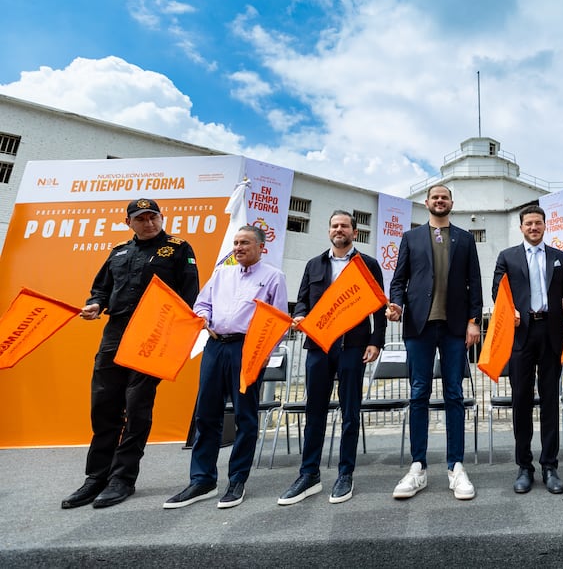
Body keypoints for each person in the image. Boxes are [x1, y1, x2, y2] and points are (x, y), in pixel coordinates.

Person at [62, 198, 200, 509]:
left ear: (161, 218)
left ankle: (122, 478)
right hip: (116, 332)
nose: (149, 223)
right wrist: (96, 304)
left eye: (153, 217)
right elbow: (101, 289)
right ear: (129, 223)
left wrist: (173, 337)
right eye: (141, 219)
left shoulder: (178, 249)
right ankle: (96, 477)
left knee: (136, 407)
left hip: (152, 335)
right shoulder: (119, 252)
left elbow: (189, 296)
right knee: (103, 405)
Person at [164, 225, 288, 509]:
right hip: (215, 346)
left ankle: (237, 480)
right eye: (236, 242)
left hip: (247, 349)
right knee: (206, 414)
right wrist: (204, 318)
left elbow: (279, 319)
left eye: (245, 243)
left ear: (261, 247)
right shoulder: (222, 273)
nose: (238, 248)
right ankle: (202, 480)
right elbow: (202, 304)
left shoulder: (273, 277)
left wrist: (265, 352)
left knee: (245, 416)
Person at [278, 211, 387, 505]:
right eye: (335, 226)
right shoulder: (314, 264)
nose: (339, 229)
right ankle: (309, 474)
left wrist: (376, 341)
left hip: (353, 346)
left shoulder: (367, 264)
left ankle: (345, 474)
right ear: (329, 231)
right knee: (314, 412)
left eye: (344, 226)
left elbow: (379, 305)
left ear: (354, 232)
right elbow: (302, 299)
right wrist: (300, 315)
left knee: (350, 413)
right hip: (319, 346)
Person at [387, 185, 483, 501]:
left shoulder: (465, 239)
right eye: (435, 197)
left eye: (445, 197)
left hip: (455, 327)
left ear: (451, 202)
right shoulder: (410, 238)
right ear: (426, 202)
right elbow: (399, 280)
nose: (440, 200)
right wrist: (397, 304)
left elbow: (474, 283)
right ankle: (418, 467)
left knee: (454, 394)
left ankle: (456, 467)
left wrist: (473, 321)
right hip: (419, 326)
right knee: (419, 393)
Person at [492, 205, 563, 495]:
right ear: (521, 227)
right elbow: (497, 292)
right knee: (521, 400)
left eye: (538, 223)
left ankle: (550, 466)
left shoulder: (559, 258)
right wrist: (510, 310)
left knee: (551, 400)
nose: (533, 227)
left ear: (545, 226)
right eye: (528, 223)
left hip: (551, 333)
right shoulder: (507, 257)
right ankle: (524, 466)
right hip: (521, 334)